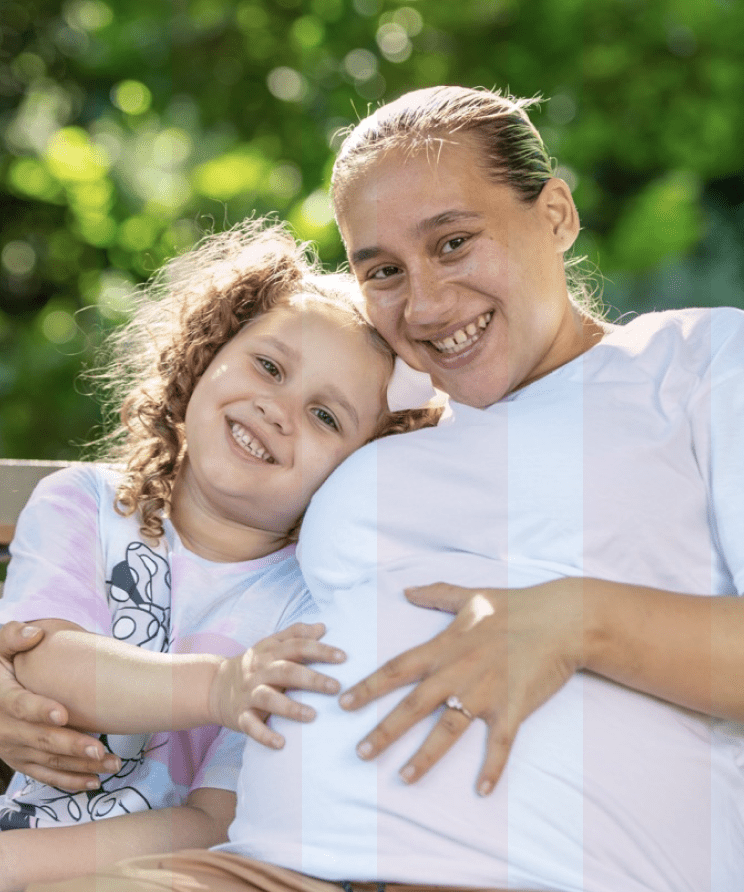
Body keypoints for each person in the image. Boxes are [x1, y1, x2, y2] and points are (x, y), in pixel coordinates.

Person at [14, 86, 744, 892]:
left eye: (453, 241)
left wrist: (577, 619)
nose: (426, 304)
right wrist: (20, 690)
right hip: (263, 868)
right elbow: (199, 557)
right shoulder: (377, 437)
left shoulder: (707, 363)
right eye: (382, 270)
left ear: (556, 212)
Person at [0, 218, 438, 890]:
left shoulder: (309, 610)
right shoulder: (83, 504)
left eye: (327, 416)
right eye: (268, 366)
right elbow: (42, 664)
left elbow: (217, 823)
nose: (277, 408)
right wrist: (218, 688)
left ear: (359, 473)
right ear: (205, 355)